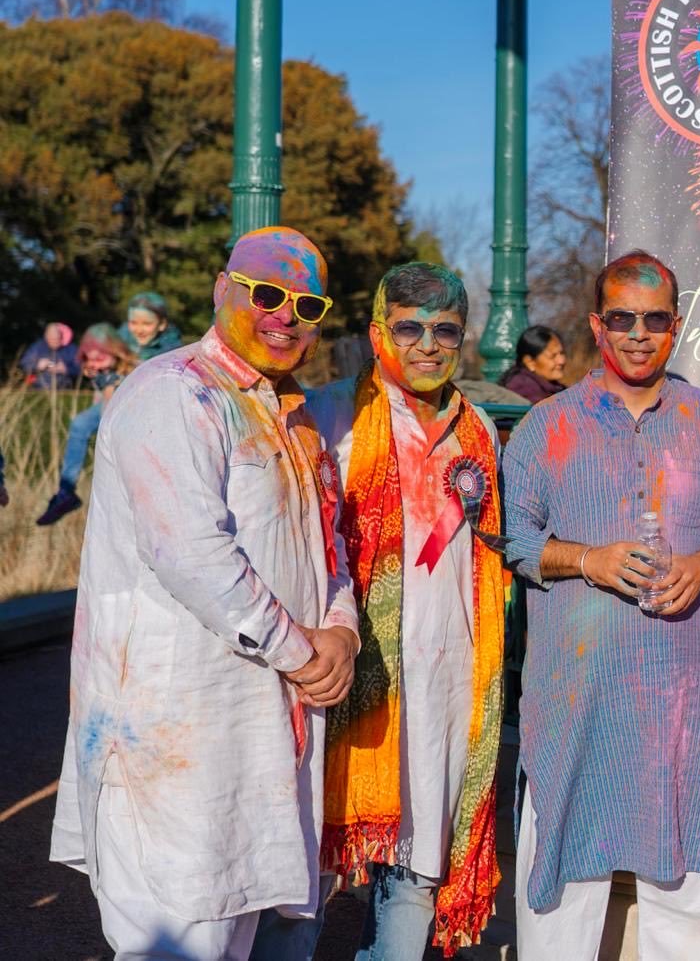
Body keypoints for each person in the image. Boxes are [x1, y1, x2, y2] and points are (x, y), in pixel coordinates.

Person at [49, 226, 360, 960]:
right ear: (224, 291)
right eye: (268, 294)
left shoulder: (294, 414)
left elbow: (332, 546)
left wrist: (341, 630)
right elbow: (189, 552)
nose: (286, 315)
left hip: (255, 742)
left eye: (307, 304)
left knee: (228, 934)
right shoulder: (172, 393)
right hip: (170, 734)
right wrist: (300, 652)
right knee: (175, 939)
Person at [501, 250, 700, 960]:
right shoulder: (546, 425)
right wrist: (589, 559)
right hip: (577, 698)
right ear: (597, 324)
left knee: (688, 900)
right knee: (561, 896)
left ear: (676, 326)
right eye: (622, 319)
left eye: (655, 320)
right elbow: (515, 538)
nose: (638, 334)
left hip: (689, 698)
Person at [302, 263, 507, 957]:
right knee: (305, 882)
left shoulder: (477, 428)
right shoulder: (328, 415)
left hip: (445, 683)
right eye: (409, 327)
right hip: (345, 685)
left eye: (444, 329)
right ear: (375, 332)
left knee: (415, 877)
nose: (427, 344)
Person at [35, 324, 140, 526]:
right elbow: (99, 398)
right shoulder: (103, 372)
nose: (94, 364)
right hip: (109, 406)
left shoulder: (122, 373)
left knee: (91, 425)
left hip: (126, 410)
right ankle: (66, 491)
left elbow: (110, 408)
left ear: (114, 352)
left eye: (99, 358)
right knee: (80, 423)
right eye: (89, 359)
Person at [499, 324, 567, 404]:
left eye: (562, 353)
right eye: (552, 356)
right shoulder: (523, 389)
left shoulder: (553, 388)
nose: (561, 361)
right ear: (530, 362)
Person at [120, 291, 184, 361]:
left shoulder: (172, 353)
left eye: (147, 323)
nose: (139, 331)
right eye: (133, 323)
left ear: (162, 324)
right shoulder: (118, 341)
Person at [21, 321, 78, 389]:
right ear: (46, 337)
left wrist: (66, 369)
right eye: (51, 339)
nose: (55, 342)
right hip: (38, 388)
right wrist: (37, 365)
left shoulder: (71, 348)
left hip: (64, 389)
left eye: (57, 339)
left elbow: (80, 369)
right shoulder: (37, 347)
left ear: (61, 336)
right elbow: (24, 364)